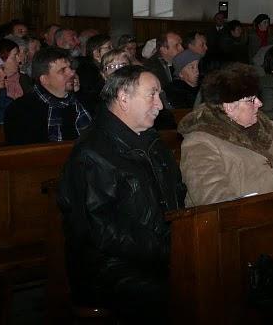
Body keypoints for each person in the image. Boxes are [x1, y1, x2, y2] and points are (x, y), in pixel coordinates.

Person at [57, 66, 186, 323]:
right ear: (123, 98)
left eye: (159, 95)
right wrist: (170, 250)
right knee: (187, 292)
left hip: (155, 254)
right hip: (109, 268)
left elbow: (177, 194)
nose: (160, 105)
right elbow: (101, 230)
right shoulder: (92, 152)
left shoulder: (152, 141)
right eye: (152, 95)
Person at [178, 63, 273, 206]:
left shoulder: (268, 127)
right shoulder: (200, 142)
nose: (259, 103)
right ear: (229, 107)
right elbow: (213, 198)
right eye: (251, 100)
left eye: (257, 97)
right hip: (243, 221)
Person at [3, 47, 92, 145]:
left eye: (70, 68)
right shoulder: (21, 110)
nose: (72, 73)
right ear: (44, 79)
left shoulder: (81, 102)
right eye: (62, 70)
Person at [77, 34, 113, 112]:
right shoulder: (87, 70)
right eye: (109, 47)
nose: (112, 51)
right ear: (96, 53)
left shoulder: (99, 67)